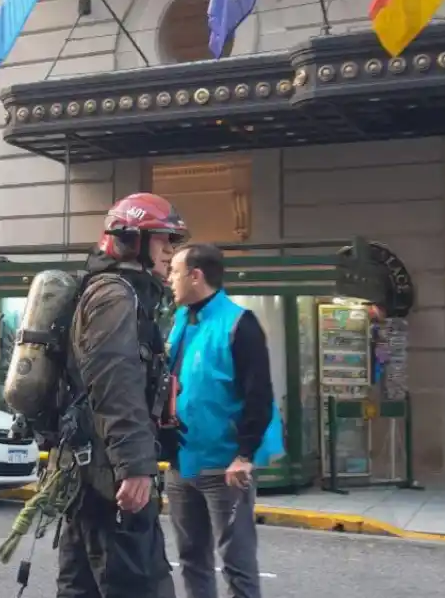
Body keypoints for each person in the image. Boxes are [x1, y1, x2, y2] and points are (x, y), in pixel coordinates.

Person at [55, 192, 188, 598]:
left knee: (81, 587)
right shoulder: (116, 296)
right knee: (139, 584)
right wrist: (133, 466)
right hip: (108, 473)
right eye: (162, 239)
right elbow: (116, 382)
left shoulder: (116, 291)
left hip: (89, 470)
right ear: (131, 239)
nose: (170, 251)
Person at [164, 243, 284, 598]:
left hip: (225, 467)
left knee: (236, 562)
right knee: (191, 559)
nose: (170, 279)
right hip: (181, 462)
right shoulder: (181, 322)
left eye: (175, 271)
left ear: (195, 276)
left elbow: (259, 394)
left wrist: (245, 455)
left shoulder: (238, 323)